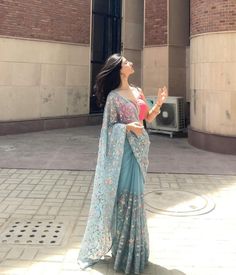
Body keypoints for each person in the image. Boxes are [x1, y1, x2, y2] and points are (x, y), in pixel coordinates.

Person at [77, 53, 168, 274]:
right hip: (124, 153)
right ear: (119, 69)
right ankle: (124, 253)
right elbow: (108, 130)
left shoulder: (137, 91)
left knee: (137, 199)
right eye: (126, 62)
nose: (130, 63)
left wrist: (159, 104)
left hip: (141, 151)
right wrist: (126, 127)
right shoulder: (114, 98)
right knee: (126, 197)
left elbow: (148, 119)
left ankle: (137, 250)